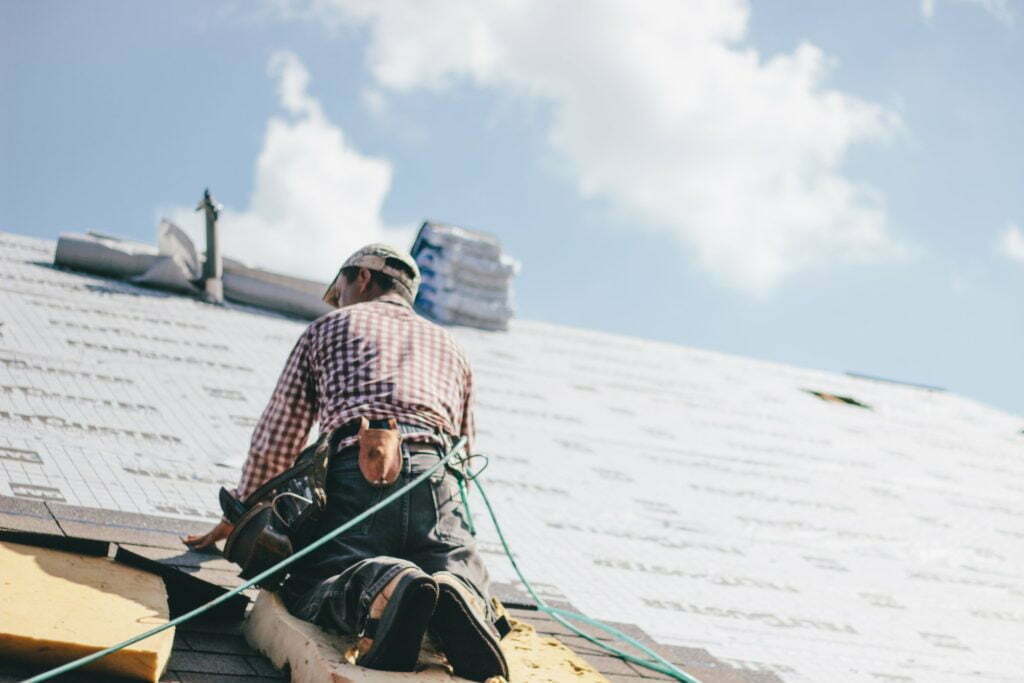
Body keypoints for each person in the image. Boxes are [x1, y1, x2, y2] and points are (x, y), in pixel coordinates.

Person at [184, 244, 508, 681]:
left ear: (362, 278)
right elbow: (466, 449)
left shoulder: (330, 327)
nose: (337, 299)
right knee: (450, 564)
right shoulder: (452, 346)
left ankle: (387, 587)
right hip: (438, 476)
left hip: (357, 469)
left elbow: (279, 436)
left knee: (316, 577)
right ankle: (458, 592)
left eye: (339, 289)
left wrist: (240, 513)